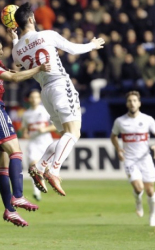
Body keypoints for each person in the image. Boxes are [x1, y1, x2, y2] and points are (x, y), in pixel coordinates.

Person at [11, 2, 105, 196]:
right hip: (60, 85)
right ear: (31, 19)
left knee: (65, 136)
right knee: (74, 133)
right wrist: (93, 45)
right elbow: (72, 49)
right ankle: (54, 170)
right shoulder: (47, 34)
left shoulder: (16, 50)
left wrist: (15, 40)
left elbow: (18, 61)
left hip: (44, 91)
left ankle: (40, 165)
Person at [0, 35, 51, 227]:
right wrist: (39, 68)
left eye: (1, 48)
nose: (1, 52)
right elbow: (14, 78)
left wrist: (15, 37)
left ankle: (10, 211)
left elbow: (12, 70)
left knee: (2, 165)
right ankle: (17, 196)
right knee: (16, 152)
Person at [110, 91, 155, 227]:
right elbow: (113, 136)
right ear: (126, 103)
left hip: (145, 159)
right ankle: (138, 202)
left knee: (150, 190)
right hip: (130, 159)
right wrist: (118, 149)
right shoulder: (120, 121)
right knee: (139, 187)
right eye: (130, 101)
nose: (132, 103)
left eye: (135, 100)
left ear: (139, 103)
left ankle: (152, 217)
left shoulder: (147, 119)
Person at [20, 89, 57, 201]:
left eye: (36, 97)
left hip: (46, 142)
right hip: (33, 143)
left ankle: (49, 184)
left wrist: (45, 129)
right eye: (32, 97)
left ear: (40, 99)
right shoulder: (26, 114)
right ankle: (36, 191)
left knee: (46, 169)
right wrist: (25, 133)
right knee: (33, 166)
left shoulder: (46, 111)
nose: (34, 99)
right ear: (29, 99)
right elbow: (24, 129)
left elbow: (56, 125)